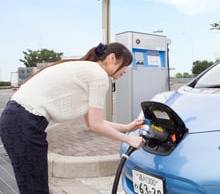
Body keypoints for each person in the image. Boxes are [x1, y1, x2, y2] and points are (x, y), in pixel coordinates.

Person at [0, 42, 145, 194]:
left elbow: (92, 122)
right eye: (125, 65)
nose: (126, 70)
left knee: (32, 186)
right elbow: (96, 125)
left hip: (16, 119)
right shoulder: (99, 75)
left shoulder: (86, 69)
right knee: (36, 189)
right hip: (24, 122)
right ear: (112, 58)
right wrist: (129, 139)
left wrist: (128, 128)